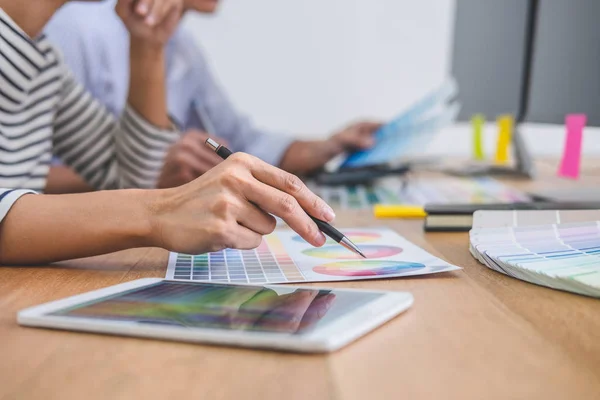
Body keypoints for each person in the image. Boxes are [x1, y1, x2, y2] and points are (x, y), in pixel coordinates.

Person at [0, 0, 335, 265]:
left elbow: (127, 178)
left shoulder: (42, 62)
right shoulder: (65, 42)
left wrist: (148, 44)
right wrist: (160, 211)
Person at [45, 0, 382, 190]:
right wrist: (154, 178)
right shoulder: (78, 28)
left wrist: (328, 145)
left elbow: (240, 142)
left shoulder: (180, 46)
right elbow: (23, 178)